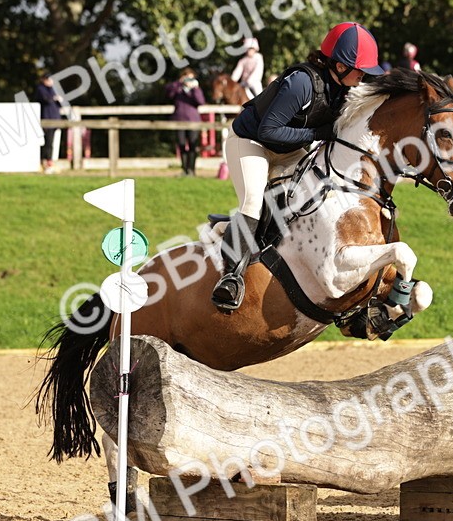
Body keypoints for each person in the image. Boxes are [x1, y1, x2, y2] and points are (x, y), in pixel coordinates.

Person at [211, 21, 384, 311]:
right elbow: (269, 131)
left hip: (288, 149)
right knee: (254, 201)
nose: (364, 76)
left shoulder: (342, 89)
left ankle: (233, 229)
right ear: (340, 66)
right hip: (250, 142)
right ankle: (231, 278)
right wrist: (318, 134)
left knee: (311, 195)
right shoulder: (301, 83)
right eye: (361, 70)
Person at [165, 67, 205, 176]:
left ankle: (192, 170)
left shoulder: (195, 90)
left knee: (193, 145)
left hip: (193, 121)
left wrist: (195, 89)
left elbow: (201, 102)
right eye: (186, 78)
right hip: (179, 120)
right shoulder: (177, 89)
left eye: (190, 79)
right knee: (181, 145)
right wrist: (179, 83)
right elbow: (168, 93)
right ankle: (184, 170)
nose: (188, 81)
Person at [35, 73, 65, 173]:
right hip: (46, 119)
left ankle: (49, 161)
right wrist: (54, 98)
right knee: (46, 142)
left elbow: (60, 104)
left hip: (54, 119)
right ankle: (44, 162)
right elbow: (45, 99)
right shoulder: (41, 89)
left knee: (51, 142)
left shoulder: (53, 89)